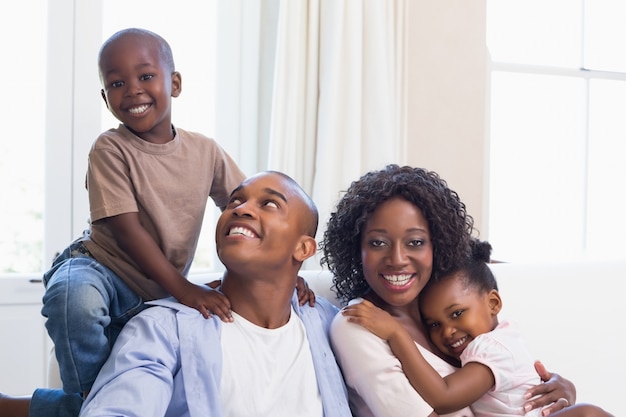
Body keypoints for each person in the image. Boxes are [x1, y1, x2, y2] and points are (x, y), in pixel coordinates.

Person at [0, 29, 314, 417]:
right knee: (74, 299)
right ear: (105, 98)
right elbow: (126, 230)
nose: (132, 90)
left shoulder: (205, 151)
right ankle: (86, 403)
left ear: (175, 83)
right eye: (117, 83)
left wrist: (283, 265)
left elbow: (248, 208)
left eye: (146, 76)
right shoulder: (110, 148)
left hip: (153, 290)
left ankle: (28, 409)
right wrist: (183, 288)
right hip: (104, 269)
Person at [75, 171, 351, 416]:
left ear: (304, 249)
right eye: (235, 201)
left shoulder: (331, 325)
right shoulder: (163, 330)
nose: (241, 209)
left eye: (269, 203)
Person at [321, 164, 577, 417]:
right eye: (378, 243)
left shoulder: (443, 307)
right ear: (357, 249)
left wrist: (558, 390)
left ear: (437, 245)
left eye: (416, 242)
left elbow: (506, 379)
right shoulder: (357, 324)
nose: (397, 258)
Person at [341, 238, 614, 417]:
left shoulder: (491, 348)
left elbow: (443, 396)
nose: (447, 331)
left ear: (493, 303)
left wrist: (396, 334)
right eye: (434, 324)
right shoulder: (487, 342)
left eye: (457, 314)